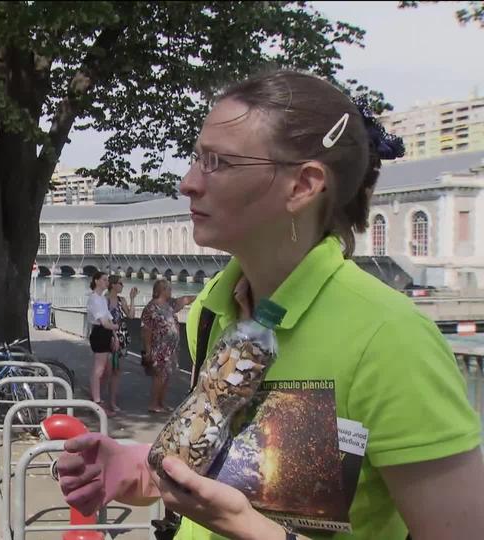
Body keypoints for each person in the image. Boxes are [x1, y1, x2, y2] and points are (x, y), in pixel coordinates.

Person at [55, 70, 484, 539]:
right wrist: (140, 467)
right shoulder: (210, 311)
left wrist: (245, 527)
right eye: (196, 159)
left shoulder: (391, 342)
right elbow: (231, 462)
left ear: (302, 186)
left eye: (217, 162)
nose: (188, 183)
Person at [140, 279, 195, 413]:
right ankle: (153, 404)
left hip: (171, 349)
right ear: (161, 290)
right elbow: (146, 330)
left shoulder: (170, 304)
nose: (171, 291)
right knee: (159, 376)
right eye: (168, 289)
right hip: (159, 347)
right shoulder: (151, 308)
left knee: (167, 376)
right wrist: (148, 350)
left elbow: (184, 300)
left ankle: (161, 402)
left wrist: (201, 295)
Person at [86, 271, 119, 415]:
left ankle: (96, 396)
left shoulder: (102, 299)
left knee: (105, 369)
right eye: (104, 280)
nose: (107, 282)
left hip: (105, 333)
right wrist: (115, 328)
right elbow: (104, 322)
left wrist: (115, 336)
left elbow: (108, 318)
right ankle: (97, 402)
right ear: (97, 281)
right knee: (99, 369)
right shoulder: (94, 299)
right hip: (99, 332)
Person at [104, 276, 138, 412]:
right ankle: (102, 400)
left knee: (116, 370)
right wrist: (113, 337)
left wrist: (132, 299)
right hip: (108, 337)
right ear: (113, 285)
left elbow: (130, 315)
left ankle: (112, 401)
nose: (122, 286)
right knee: (107, 371)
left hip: (121, 336)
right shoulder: (104, 300)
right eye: (120, 283)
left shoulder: (121, 300)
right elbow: (104, 321)